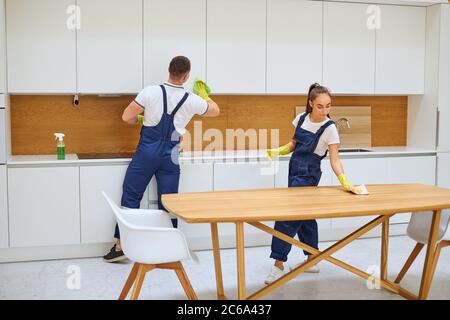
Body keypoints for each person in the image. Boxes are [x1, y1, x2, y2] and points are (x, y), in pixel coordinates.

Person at [103, 56, 220, 262]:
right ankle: (169, 249)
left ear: (169, 70)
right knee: (170, 202)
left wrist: (141, 119)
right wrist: (204, 95)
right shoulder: (192, 99)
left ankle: (121, 246)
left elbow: (126, 117)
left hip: (147, 151)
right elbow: (215, 111)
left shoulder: (149, 92)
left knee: (131, 195)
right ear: (186, 76)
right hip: (171, 155)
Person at [264, 83, 358, 284]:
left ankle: (278, 264)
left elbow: (334, 159)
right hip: (293, 170)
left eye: (328, 106)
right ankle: (312, 259)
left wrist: (345, 181)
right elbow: (293, 145)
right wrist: (277, 151)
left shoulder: (330, 128)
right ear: (310, 104)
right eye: (320, 106)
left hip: (308, 174)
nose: (325, 111)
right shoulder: (301, 119)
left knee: (287, 216)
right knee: (305, 216)